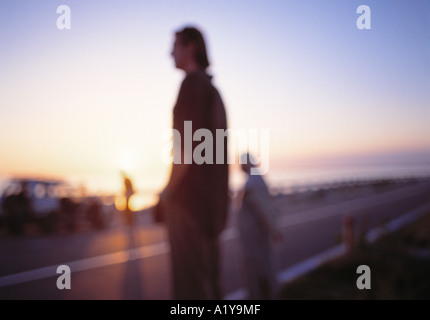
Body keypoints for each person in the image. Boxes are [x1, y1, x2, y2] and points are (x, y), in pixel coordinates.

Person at [155, 26, 229, 300]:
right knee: (210, 286)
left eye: (174, 46)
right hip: (210, 209)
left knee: (191, 291)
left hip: (189, 207)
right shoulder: (212, 90)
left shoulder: (191, 85)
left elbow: (184, 150)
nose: (169, 52)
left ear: (191, 48)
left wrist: (167, 192)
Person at [237, 153, 282, 300]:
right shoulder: (258, 179)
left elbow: (261, 208)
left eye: (241, 163)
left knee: (258, 268)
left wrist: (272, 229)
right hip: (256, 234)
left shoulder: (252, 182)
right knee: (263, 265)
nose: (239, 166)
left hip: (254, 235)